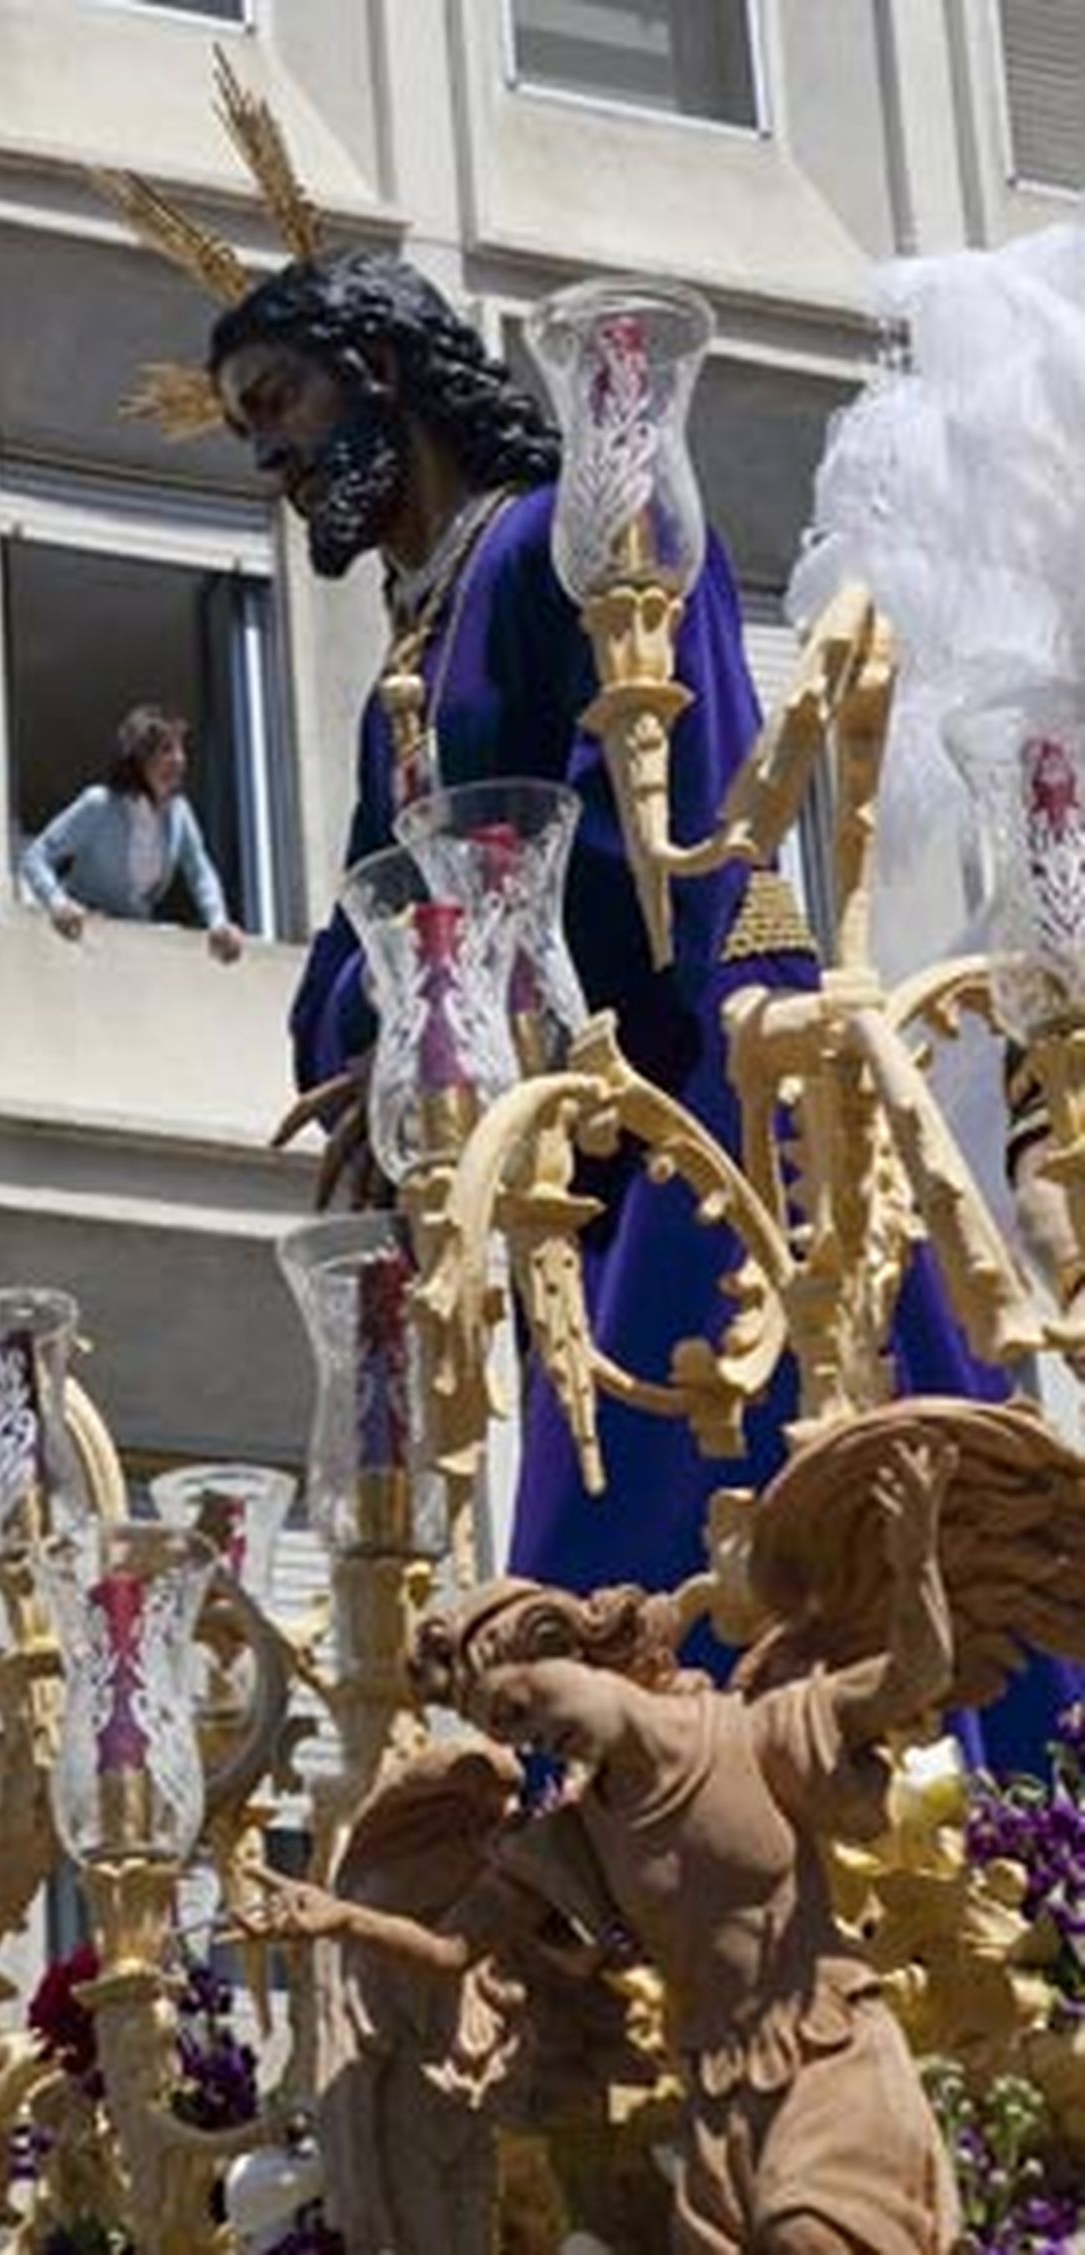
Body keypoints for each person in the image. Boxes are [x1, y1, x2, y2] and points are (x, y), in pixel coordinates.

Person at [205, 251, 1013, 1703]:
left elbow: (661, 804)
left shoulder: (563, 539)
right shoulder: (417, 635)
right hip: (575, 1120)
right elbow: (362, 912)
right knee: (617, 1495)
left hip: (708, 1069)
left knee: (721, 1477)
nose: (268, 448)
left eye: (279, 398)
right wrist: (386, 1034)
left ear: (380, 370)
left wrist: (479, 993)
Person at [244, 1431, 966, 2254]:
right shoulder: (571, 1843)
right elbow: (450, 1951)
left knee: (810, 2235)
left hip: (828, 2053)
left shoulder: (755, 1734)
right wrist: (337, 1916)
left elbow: (915, 1675)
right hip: (718, 2093)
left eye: (518, 1702)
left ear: (563, 1647)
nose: (531, 1733)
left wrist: (915, 1561)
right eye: (502, 1729)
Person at [19, 703, 244, 963]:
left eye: (181, 749)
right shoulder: (99, 805)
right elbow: (35, 857)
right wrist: (57, 903)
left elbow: (200, 872)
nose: (179, 759)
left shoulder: (179, 814)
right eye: (166, 750)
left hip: (129, 948)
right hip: (76, 943)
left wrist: (218, 923)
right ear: (139, 760)